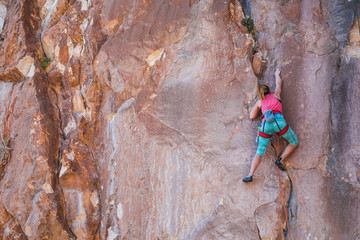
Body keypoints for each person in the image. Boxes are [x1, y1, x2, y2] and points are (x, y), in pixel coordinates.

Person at [243, 68, 298, 183]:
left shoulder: (260, 101)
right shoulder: (276, 94)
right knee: (294, 142)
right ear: (269, 90)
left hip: (265, 125)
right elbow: (279, 83)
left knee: (260, 151)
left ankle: (250, 174)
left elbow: (252, 116)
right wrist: (276, 74)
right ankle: (280, 160)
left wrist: (259, 105)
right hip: (278, 122)